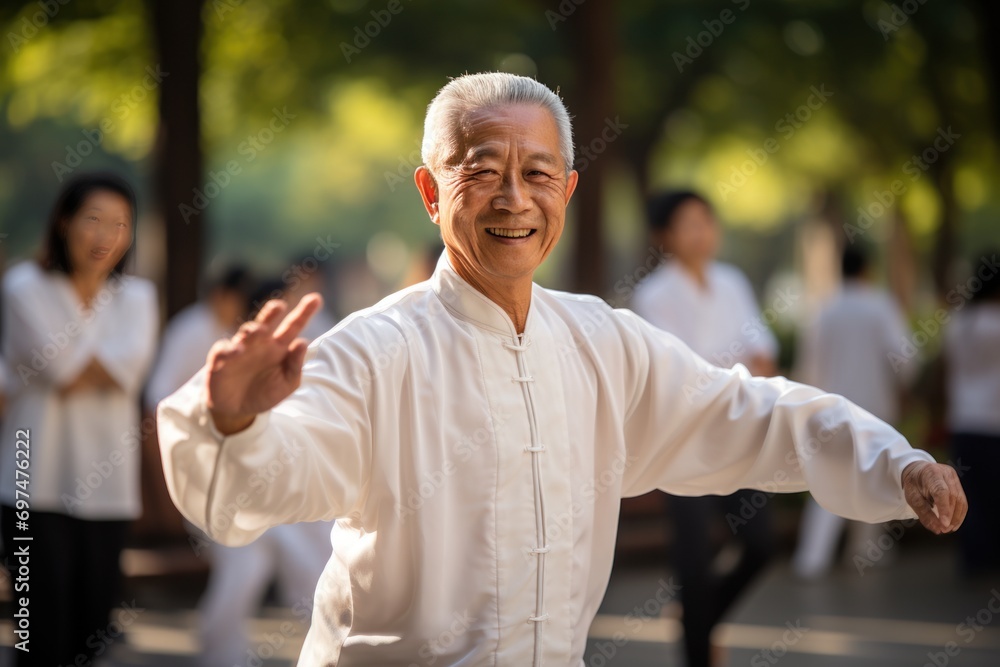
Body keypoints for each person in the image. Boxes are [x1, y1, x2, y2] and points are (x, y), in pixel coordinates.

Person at [157, 72, 966, 666]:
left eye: (538, 172)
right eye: (480, 169)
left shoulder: (599, 340)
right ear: (431, 194)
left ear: (569, 190)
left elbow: (747, 412)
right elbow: (266, 482)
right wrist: (231, 420)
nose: (514, 197)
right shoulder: (376, 348)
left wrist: (897, 461)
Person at [1, 173, 158, 666]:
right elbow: (64, 372)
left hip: (109, 487)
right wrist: (101, 362)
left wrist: (78, 358)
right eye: (93, 219)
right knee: (38, 635)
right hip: (32, 483)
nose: (105, 235)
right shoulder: (24, 287)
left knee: (92, 631)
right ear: (64, 221)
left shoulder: (138, 298)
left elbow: (125, 370)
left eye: (120, 223)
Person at [156, 273, 336, 667]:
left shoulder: (314, 338)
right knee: (244, 572)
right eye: (282, 302)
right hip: (227, 488)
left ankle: (326, 652)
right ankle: (221, 656)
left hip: (286, 488)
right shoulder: (206, 340)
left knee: (315, 573)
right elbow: (167, 407)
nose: (294, 309)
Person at [632, 190, 778, 667]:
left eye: (706, 221)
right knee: (692, 562)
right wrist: (737, 368)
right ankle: (697, 647)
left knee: (760, 544)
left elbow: (761, 349)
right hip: (686, 442)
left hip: (737, 433)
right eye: (688, 223)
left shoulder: (732, 281)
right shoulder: (653, 294)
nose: (701, 232)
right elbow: (680, 367)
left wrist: (744, 369)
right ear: (664, 237)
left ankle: (700, 617)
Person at [792, 245, 917, 579]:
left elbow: (810, 363)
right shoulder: (880, 305)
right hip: (874, 406)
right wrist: (904, 386)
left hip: (830, 406)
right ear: (867, 270)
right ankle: (864, 551)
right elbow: (904, 355)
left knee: (828, 476)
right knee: (875, 476)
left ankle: (812, 557)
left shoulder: (825, 308)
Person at [944, 250, 1000, 578]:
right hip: (994, 423)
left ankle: (973, 558)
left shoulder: (959, 322)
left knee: (970, 498)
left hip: (963, 422)